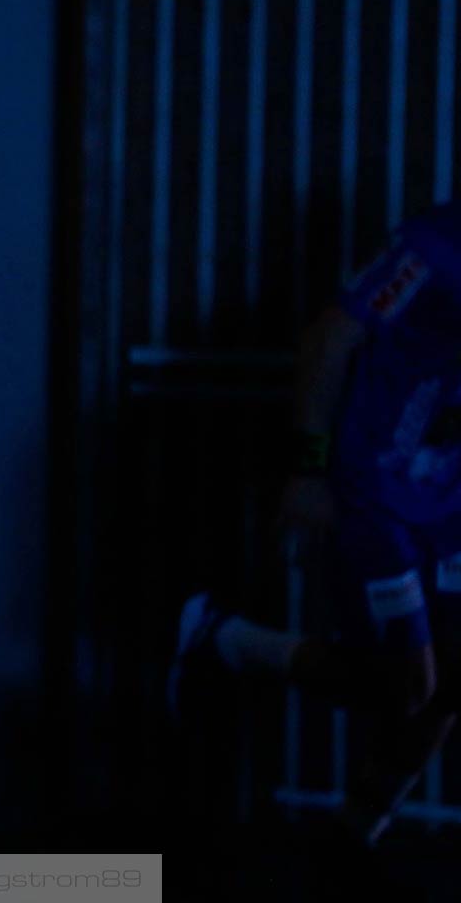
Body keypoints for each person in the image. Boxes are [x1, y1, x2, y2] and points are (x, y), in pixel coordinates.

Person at [173, 202, 461, 845]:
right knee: (408, 683)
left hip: (447, 496)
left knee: (452, 682)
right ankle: (224, 638)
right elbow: (329, 339)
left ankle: (351, 838)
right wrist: (307, 471)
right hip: (379, 485)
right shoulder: (432, 246)